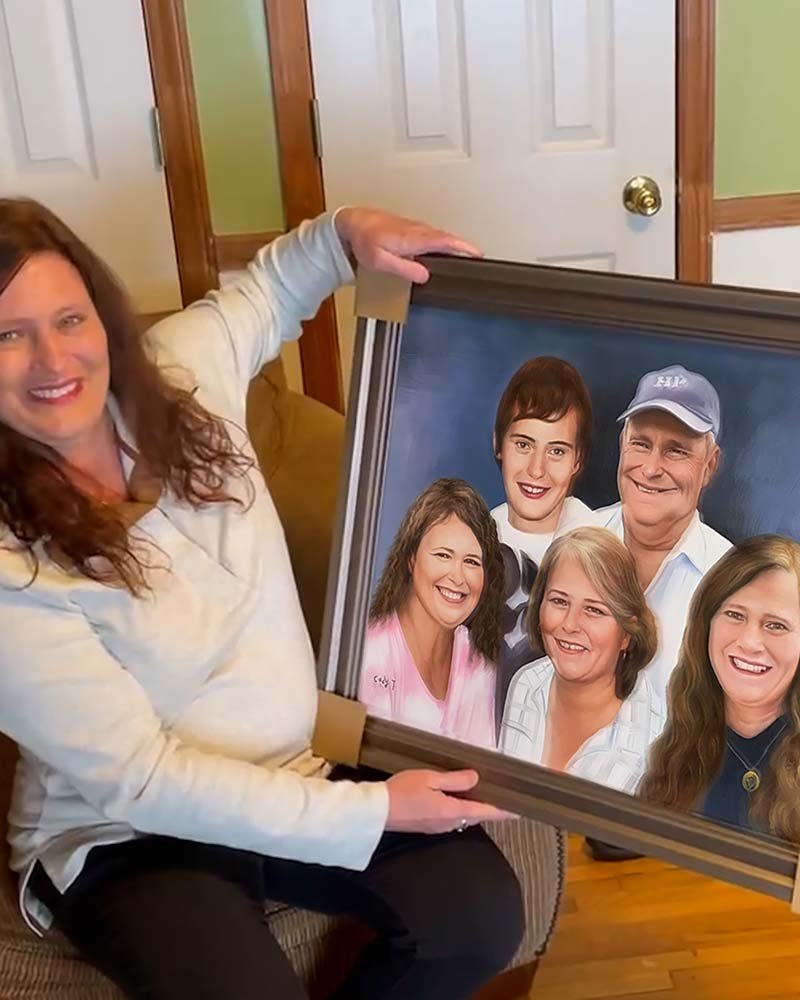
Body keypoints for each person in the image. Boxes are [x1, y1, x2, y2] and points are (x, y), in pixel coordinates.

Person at [0, 198, 523, 1000]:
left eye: (69, 318)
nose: (50, 357)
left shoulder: (180, 376)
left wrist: (350, 235)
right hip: (131, 834)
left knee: (478, 916)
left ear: (103, 318)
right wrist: (375, 812)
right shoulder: (8, 565)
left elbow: (270, 290)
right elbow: (141, 780)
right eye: (8, 335)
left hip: (297, 764)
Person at [640, 535, 800, 842]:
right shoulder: (677, 744)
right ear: (707, 624)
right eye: (735, 615)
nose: (749, 642)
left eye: (776, 625)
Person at [588, 364, 732, 701]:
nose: (651, 469)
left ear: (709, 466)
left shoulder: (731, 581)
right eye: (640, 443)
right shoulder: (572, 539)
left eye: (676, 450)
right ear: (623, 444)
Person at [499, 527, 663, 793]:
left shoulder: (658, 740)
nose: (570, 624)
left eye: (593, 610)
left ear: (627, 635)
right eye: (559, 601)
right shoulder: (526, 683)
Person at [361, 478, 504, 749]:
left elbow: (480, 775)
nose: (458, 577)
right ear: (411, 559)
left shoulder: (478, 667)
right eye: (443, 555)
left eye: (472, 561)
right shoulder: (371, 654)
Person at [490, 356, 595, 727]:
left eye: (556, 451)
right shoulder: (472, 545)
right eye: (523, 444)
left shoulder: (603, 550)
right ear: (498, 444)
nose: (537, 469)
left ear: (578, 460)